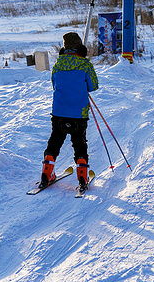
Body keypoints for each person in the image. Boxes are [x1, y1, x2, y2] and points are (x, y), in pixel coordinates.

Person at [41, 31, 99, 190]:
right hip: (79, 113)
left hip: (59, 111)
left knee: (55, 140)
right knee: (79, 142)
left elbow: (54, 84)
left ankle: (47, 173)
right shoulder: (85, 64)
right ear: (79, 47)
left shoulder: (57, 64)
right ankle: (82, 177)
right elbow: (93, 86)